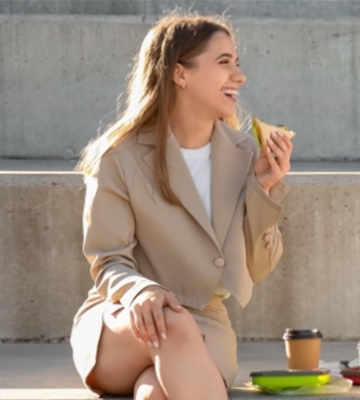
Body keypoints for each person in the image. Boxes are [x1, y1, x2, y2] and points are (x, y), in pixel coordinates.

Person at [69, 12, 293, 399]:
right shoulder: (119, 156)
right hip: (122, 319)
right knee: (173, 324)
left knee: (153, 393)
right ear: (180, 73)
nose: (239, 77)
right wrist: (142, 292)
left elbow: (255, 269)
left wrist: (263, 190)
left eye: (237, 63)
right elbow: (108, 259)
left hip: (207, 321)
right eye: (224, 63)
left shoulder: (244, 153)